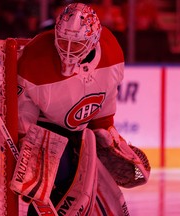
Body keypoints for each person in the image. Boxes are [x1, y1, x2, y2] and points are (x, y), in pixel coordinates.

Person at [15, 3, 150, 215]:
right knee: (55, 187)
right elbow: (22, 116)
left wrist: (105, 129)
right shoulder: (34, 58)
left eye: (76, 44)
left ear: (93, 41)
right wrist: (27, 144)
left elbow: (105, 101)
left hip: (81, 135)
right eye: (63, 41)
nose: (67, 49)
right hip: (44, 130)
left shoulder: (111, 50)